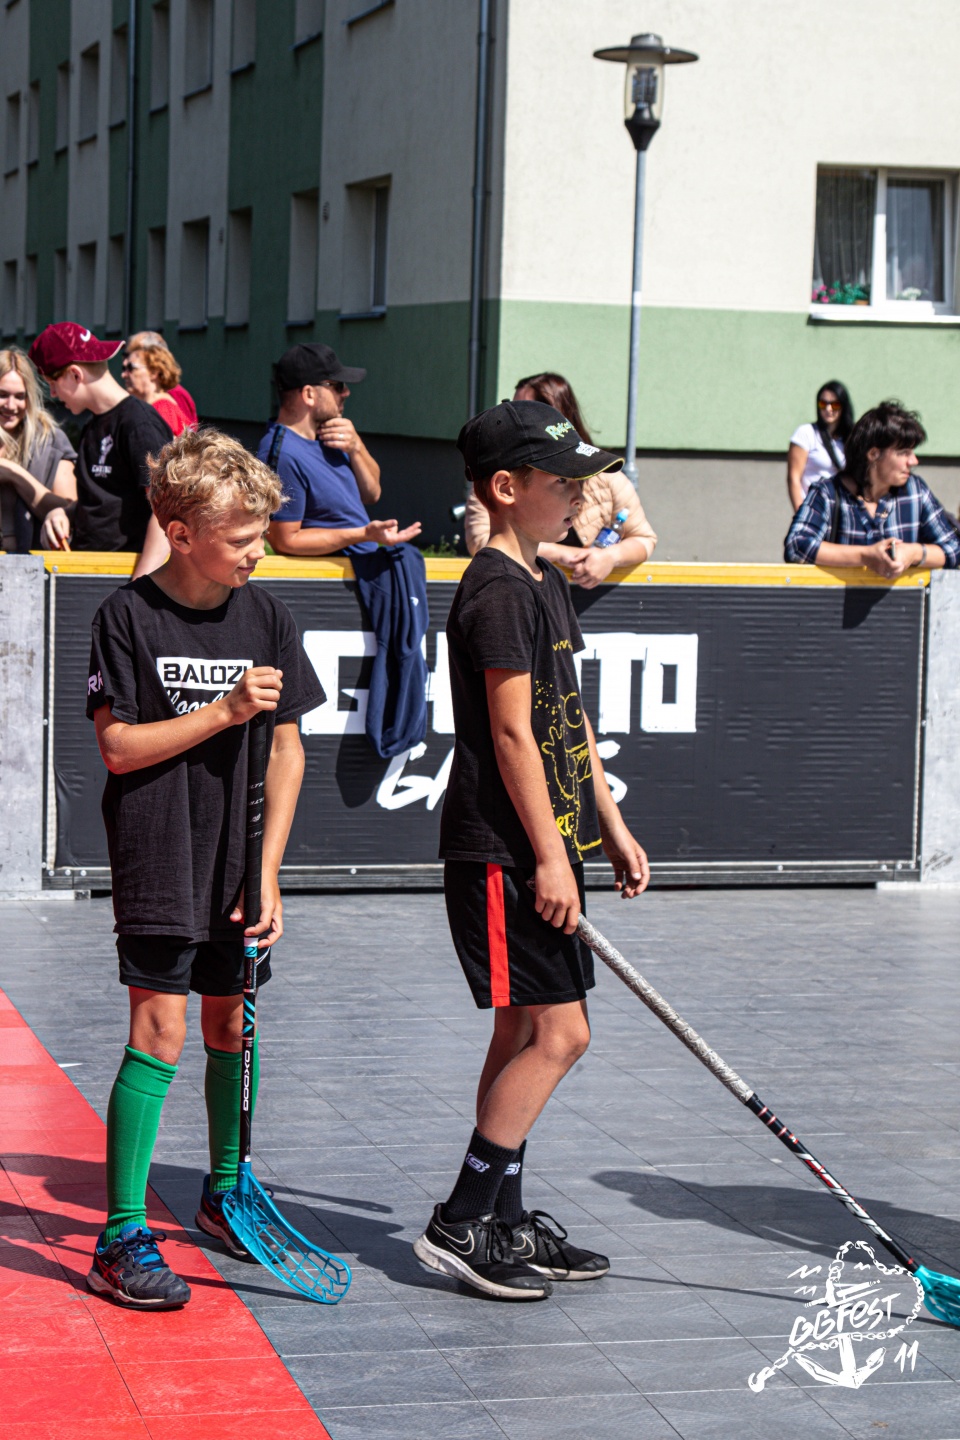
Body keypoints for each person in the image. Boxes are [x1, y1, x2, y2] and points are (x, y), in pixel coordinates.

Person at [84, 429, 326, 1308]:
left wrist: (269, 870)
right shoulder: (125, 617)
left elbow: (289, 750)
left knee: (233, 1026)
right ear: (181, 533)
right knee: (161, 1032)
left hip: (238, 862)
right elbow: (117, 748)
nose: (258, 551)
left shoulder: (267, 615)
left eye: (262, 534)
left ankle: (227, 1193)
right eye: (241, 537)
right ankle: (120, 1236)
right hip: (159, 852)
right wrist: (223, 711)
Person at [413, 399, 649, 1301]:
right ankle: (461, 1221)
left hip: (547, 840)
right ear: (507, 489)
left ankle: (504, 1221)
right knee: (562, 1033)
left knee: (521, 1032)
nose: (583, 494)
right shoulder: (497, 592)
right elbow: (511, 734)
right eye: (566, 481)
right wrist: (548, 858)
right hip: (503, 851)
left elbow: (567, 714)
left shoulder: (542, 577)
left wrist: (608, 823)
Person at [465, 372, 657, 588]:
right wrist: (562, 553)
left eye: (530, 408)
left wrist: (610, 557)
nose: (579, 499)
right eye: (561, 481)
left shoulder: (608, 479)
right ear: (505, 488)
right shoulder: (497, 477)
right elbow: (483, 540)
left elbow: (644, 538)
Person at [28, 323, 173, 578]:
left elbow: (167, 512)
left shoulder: (138, 424)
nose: (53, 394)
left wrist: (138, 588)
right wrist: (64, 513)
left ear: (75, 374)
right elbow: (106, 502)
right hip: (94, 572)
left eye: (52, 383)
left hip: (124, 576)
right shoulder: (93, 424)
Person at [261, 342, 421, 556]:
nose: (346, 392)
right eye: (337, 385)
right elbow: (285, 541)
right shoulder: (283, 454)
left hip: (362, 567)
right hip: (335, 576)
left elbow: (373, 494)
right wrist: (363, 534)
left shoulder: (331, 436)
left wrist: (357, 448)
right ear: (309, 394)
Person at [784, 400, 960, 574]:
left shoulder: (916, 491)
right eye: (904, 453)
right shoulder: (827, 494)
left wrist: (913, 553)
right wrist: (865, 556)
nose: (914, 461)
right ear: (874, 454)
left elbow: (954, 548)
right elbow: (796, 546)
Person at [0, 347, 77, 552]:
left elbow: (70, 510)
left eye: (20, 396)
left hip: (32, 564)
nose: (11, 405)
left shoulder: (50, 440)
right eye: (2, 395)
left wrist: (14, 474)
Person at [787, 380, 855, 512]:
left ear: (843, 406)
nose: (828, 409)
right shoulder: (806, 433)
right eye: (823, 404)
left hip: (841, 511)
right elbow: (794, 478)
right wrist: (801, 513)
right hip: (813, 509)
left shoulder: (850, 438)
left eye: (835, 404)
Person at [126, 332, 199, 428]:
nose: (124, 374)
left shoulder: (166, 406)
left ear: (154, 371)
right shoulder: (153, 404)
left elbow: (190, 432)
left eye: (130, 367)